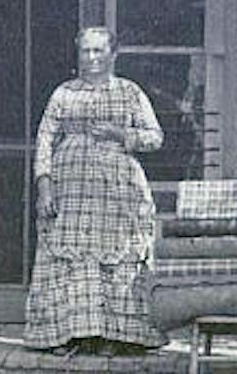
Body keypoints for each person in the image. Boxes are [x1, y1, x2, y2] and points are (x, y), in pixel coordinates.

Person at [24, 27, 166, 357]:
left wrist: (120, 133)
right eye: (86, 51)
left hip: (118, 191)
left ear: (113, 54)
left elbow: (155, 137)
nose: (91, 58)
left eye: (99, 51)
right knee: (71, 257)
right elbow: (45, 140)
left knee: (118, 255)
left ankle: (116, 336)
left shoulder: (130, 92)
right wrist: (44, 185)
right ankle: (70, 335)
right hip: (70, 189)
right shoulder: (64, 93)